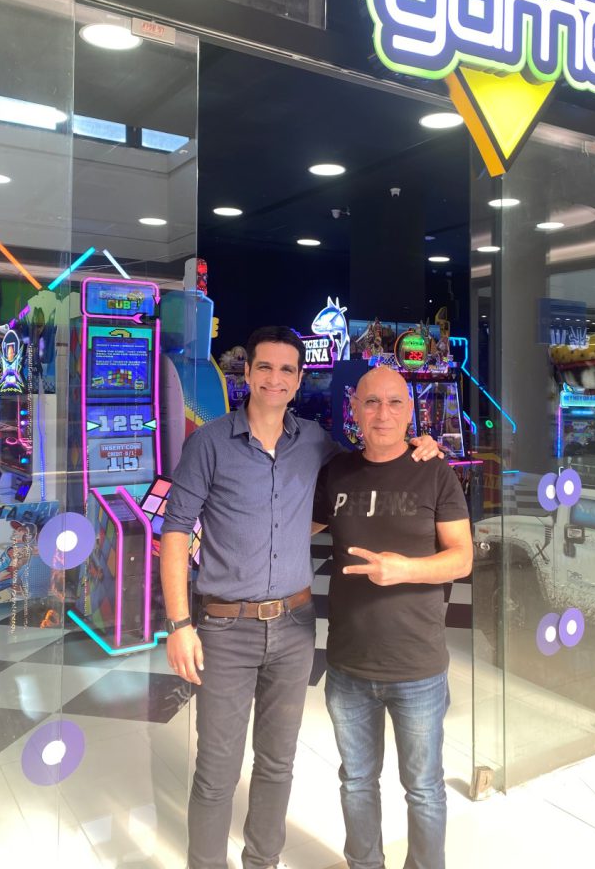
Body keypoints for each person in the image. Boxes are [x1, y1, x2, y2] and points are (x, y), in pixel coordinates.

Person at [159, 326, 441, 869]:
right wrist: (179, 624)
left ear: (298, 377)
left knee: (277, 764)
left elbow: (371, 459)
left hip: (293, 627)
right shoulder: (210, 443)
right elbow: (174, 534)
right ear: (247, 373)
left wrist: (420, 444)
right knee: (217, 771)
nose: (276, 378)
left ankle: (262, 861)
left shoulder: (315, 443)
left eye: (287, 369)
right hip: (224, 629)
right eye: (265, 367)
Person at [312, 365, 473, 869]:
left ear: (411, 412)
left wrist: (404, 569)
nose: (383, 413)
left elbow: (462, 558)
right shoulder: (336, 472)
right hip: (347, 665)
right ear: (354, 410)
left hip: (418, 666)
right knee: (357, 781)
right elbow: (289, 524)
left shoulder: (435, 471)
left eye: (395, 402)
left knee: (423, 788)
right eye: (371, 402)